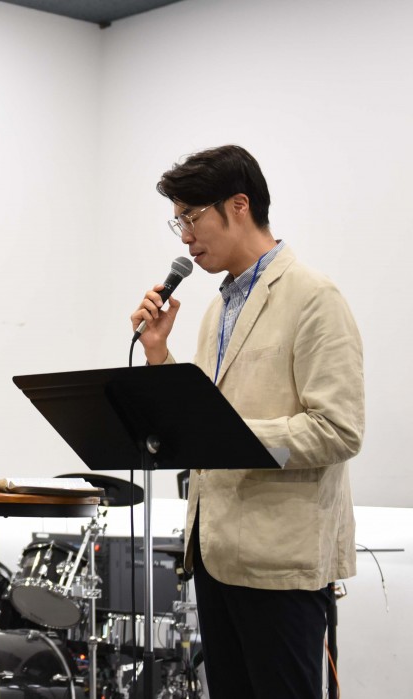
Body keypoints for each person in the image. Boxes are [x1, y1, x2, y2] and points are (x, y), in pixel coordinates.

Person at [130, 145, 364, 699]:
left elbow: (339, 429)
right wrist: (159, 358)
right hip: (215, 557)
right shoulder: (217, 309)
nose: (185, 238)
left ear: (239, 206)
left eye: (191, 218)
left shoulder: (314, 296)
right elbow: (201, 421)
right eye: (178, 222)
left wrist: (230, 436)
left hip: (280, 564)